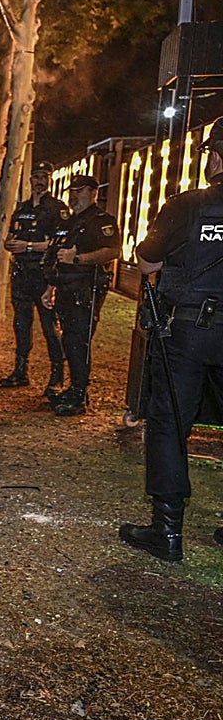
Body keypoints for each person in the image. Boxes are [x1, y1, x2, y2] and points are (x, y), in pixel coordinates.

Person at [119, 122, 223, 561]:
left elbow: (146, 261)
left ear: (215, 156)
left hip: (190, 331)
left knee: (169, 424)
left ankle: (167, 530)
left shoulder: (190, 206)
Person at [40, 174, 121, 416]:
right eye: (72, 191)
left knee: (78, 341)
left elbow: (113, 251)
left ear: (94, 193)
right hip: (65, 288)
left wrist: (78, 259)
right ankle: (75, 388)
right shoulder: (69, 222)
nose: (74, 196)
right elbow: (57, 256)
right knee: (70, 340)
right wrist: (50, 287)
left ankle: (78, 393)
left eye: (81, 191)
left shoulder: (101, 221)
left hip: (86, 290)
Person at [0, 162, 67, 395]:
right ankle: (20, 371)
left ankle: (57, 375)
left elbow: (60, 243)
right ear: (30, 180)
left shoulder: (57, 209)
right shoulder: (22, 208)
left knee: (50, 326)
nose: (40, 181)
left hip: (43, 275)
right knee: (21, 324)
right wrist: (10, 244)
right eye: (36, 176)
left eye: (44, 176)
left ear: (49, 180)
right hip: (21, 276)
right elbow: (10, 237)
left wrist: (29, 246)